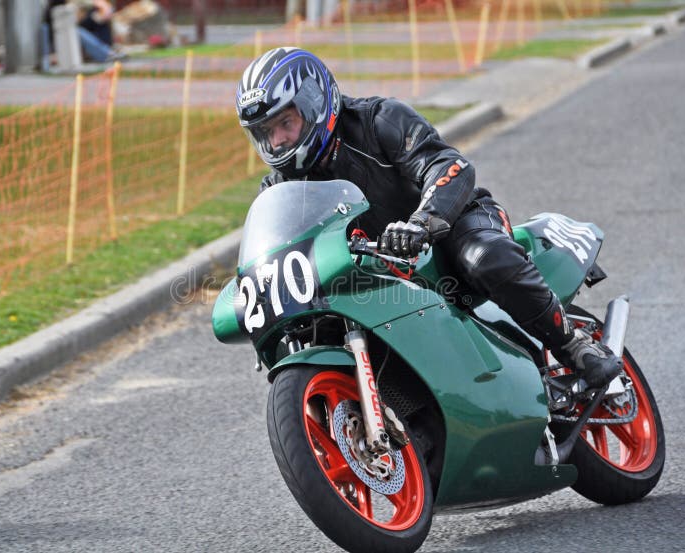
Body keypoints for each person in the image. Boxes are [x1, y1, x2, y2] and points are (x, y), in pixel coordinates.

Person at [235, 47, 622, 389]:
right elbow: (279, 248)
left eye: (286, 123)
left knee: (482, 257)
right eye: (267, 133)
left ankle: (573, 345)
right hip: (377, 269)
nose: (279, 141)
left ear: (314, 103)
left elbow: (447, 165)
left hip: (452, 224)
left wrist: (422, 223)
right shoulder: (278, 189)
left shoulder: (378, 120)